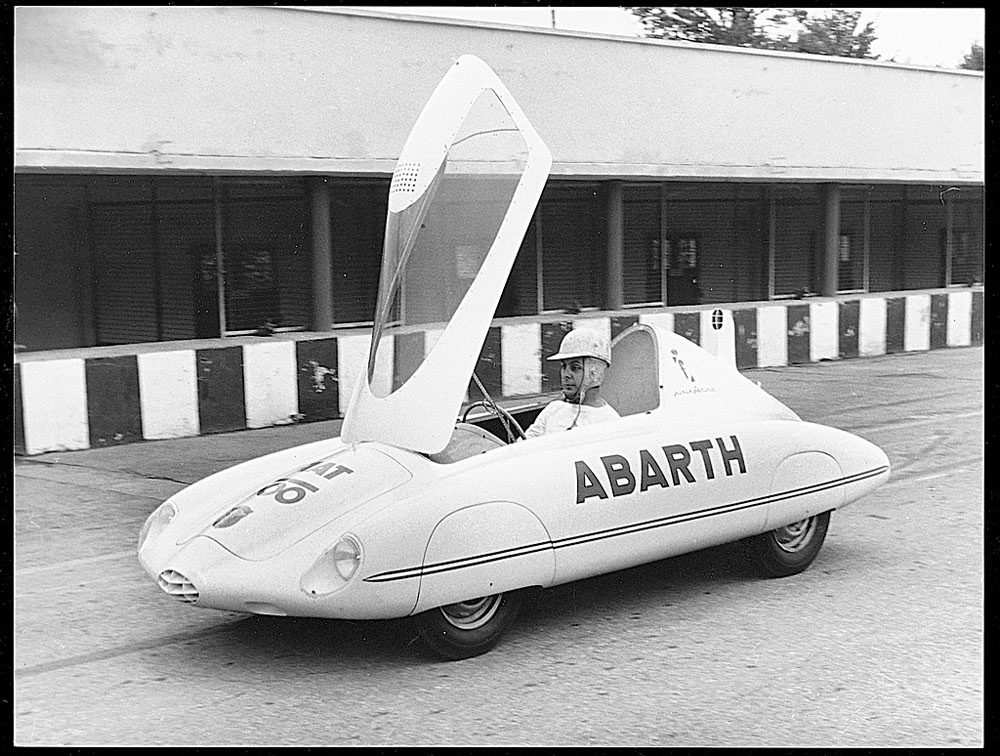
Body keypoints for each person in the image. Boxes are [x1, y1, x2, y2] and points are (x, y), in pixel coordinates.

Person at [523, 328, 620, 438]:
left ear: (594, 372)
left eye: (575, 368)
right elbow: (521, 447)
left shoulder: (610, 422)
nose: (566, 375)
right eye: (564, 366)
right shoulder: (553, 410)